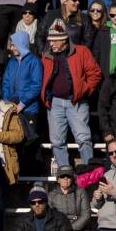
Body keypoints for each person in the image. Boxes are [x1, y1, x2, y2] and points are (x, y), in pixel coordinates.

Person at [41, 20, 101, 166]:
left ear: (64, 39)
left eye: (55, 41)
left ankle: (88, 173)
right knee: (57, 142)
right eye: (50, 41)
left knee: (83, 139)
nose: (51, 44)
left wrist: (84, 89)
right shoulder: (46, 55)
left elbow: (95, 74)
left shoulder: (81, 51)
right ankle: (64, 175)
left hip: (76, 102)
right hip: (54, 103)